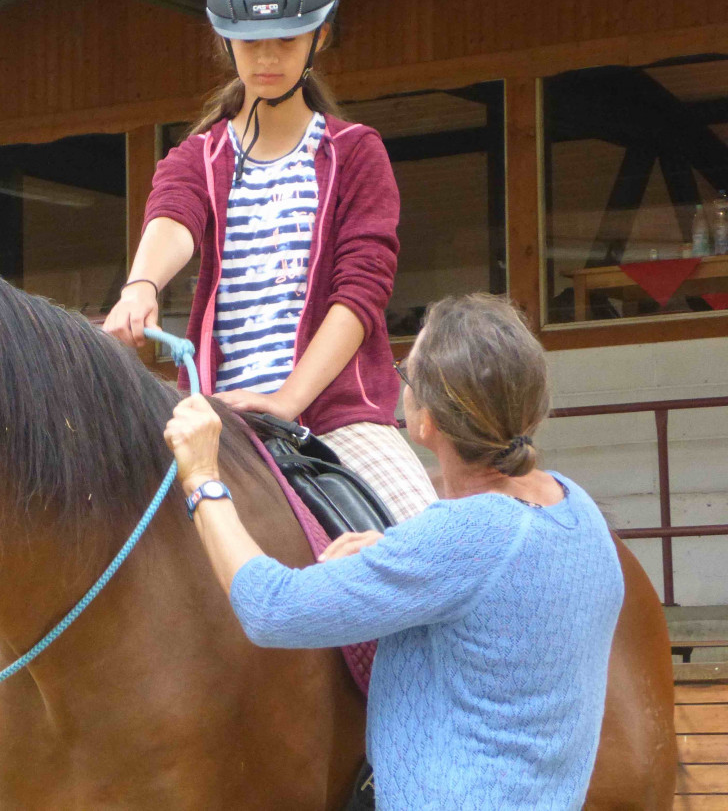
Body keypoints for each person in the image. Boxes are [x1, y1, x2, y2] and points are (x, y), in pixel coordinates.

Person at [163, 294, 624, 810]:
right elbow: (504, 590)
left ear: (426, 423)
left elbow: (272, 609)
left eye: (405, 375)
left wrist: (202, 476)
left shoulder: (464, 537)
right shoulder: (574, 505)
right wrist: (406, 554)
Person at [103, 0, 434, 524]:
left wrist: (286, 402)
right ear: (225, 41)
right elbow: (173, 215)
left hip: (335, 418)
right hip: (214, 416)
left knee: (425, 541)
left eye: (286, 39)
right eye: (250, 41)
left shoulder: (356, 153)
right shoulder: (197, 157)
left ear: (320, 37)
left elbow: (360, 295)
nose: (267, 58)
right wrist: (141, 286)